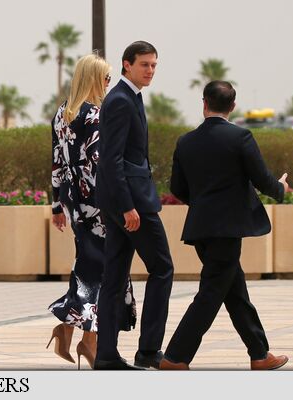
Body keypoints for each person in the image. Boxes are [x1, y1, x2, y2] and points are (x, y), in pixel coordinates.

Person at [160, 80, 289, 370]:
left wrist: (202, 203)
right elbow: (262, 179)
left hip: (200, 228)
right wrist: (281, 188)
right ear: (233, 106)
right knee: (211, 293)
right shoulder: (240, 137)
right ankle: (175, 357)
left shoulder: (185, 141)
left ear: (204, 103)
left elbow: (177, 187)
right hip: (228, 229)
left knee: (234, 291)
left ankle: (259, 353)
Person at [48, 54, 137, 370]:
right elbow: (102, 162)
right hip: (98, 199)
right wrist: (124, 201)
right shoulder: (96, 115)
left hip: (74, 200)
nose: (109, 83)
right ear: (95, 79)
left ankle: (75, 333)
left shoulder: (62, 114)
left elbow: (57, 161)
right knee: (105, 268)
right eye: (107, 78)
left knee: (90, 263)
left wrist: (57, 205)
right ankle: (85, 338)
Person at [94, 41, 174, 370]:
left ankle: (106, 355)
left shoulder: (130, 97)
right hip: (131, 204)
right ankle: (149, 350)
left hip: (124, 200)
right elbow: (111, 159)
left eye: (154, 65)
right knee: (162, 268)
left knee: (114, 278)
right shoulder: (120, 100)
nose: (150, 70)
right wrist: (127, 206)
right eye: (144, 64)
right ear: (127, 65)